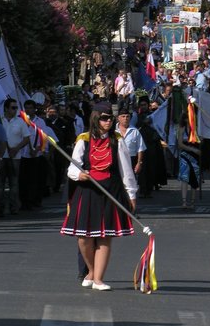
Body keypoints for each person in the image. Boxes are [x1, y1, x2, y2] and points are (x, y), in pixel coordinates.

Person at [61, 102, 137, 291]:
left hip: (110, 190)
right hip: (87, 190)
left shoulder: (117, 140)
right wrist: (79, 175)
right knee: (84, 237)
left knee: (105, 236)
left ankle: (98, 279)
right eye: (104, 118)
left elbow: (126, 170)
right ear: (95, 118)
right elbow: (72, 166)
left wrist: (131, 194)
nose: (108, 121)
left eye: (110, 118)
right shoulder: (83, 140)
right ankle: (92, 272)